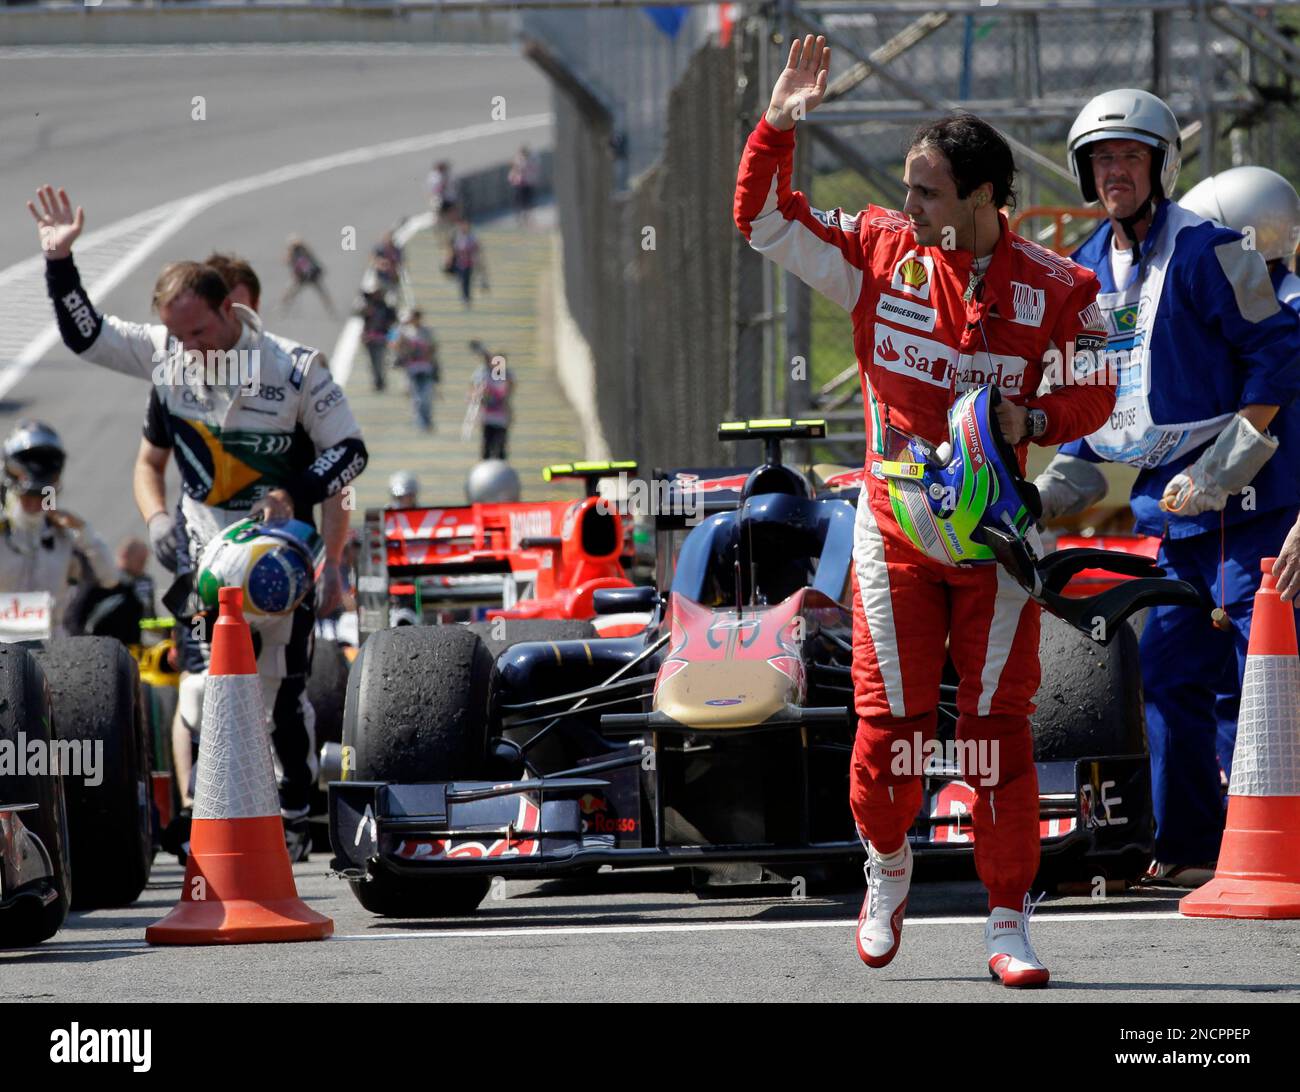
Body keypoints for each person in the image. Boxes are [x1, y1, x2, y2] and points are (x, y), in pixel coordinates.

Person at [735, 36, 1116, 987]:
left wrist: (1036, 416)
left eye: (928, 193)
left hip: (999, 540)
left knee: (997, 731)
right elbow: (761, 221)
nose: (909, 207)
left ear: (987, 201)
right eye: (907, 189)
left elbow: (1102, 387)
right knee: (887, 734)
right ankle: (888, 865)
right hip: (894, 535)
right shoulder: (877, 252)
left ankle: (1007, 917)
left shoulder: (1059, 286)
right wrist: (778, 125)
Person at [30, 184, 369, 862]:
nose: (192, 345)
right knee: (210, 692)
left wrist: (293, 492)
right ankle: (217, 822)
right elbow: (86, 335)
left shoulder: (295, 368)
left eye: (201, 330)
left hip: (281, 560)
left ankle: (296, 816)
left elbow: (351, 453)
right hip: (204, 562)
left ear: (230, 308)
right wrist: (60, 263)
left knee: (278, 693)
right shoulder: (167, 355)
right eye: (179, 334)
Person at [1034, 91, 1300, 888]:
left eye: (1131, 157)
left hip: (1262, 520)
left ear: (1159, 166)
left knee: (1275, 683)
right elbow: (1091, 415)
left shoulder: (1214, 250)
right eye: (1102, 160)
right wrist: (1041, 494)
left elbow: (1280, 357)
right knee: (1173, 678)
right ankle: (1192, 847)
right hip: (1179, 531)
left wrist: (1227, 467)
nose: (1115, 172)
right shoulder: (1080, 272)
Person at [1179, 166, 1300, 782]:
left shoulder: (1284, 318)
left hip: (1275, 522)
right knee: (1238, 689)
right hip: (1233, 528)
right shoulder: (1251, 318)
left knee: (1267, 688)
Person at [0, 421, 116, 635]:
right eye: (28, 496)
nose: (35, 504)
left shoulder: (67, 535)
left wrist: (84, 531)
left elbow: (110, 578)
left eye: (41, 495)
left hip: (53, 647)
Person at [64, 535, 153, 645]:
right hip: (95, 646)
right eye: (140, 560)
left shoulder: (144, 584)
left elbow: (148, 619)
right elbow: (76, 616)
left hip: (129, 649)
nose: (143, 565)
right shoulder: (100, 580)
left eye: (145, 560)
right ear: (124, 554)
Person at [392, 308, 440, 432]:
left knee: (426, 396)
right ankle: (422, 422)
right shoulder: (406, 331)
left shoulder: (427, 331)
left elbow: (434, 347)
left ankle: (427, 418)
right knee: (416, 396)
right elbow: (397, 346)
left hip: (426, 367)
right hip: (412, 368)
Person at [468, 340, 513, 460]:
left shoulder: (506, 376)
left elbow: (508, 391)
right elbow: (474, 390)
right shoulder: (484, 374)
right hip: (487, 417)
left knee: (501, 447)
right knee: (487, 446)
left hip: (501, 417)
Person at [281, 234, 335, 317]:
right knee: (322, 293)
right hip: (309, 276)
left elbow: (286, 261)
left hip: (304, 277)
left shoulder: (298, 252)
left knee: (290, 292)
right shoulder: (305, 251)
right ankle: (330, 309)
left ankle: (283, 308)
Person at [356, 288, 397, 392]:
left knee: (380, 361)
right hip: (370, 340)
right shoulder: (369, 308)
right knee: (373, 362)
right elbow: (359, 314)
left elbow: (393, 320)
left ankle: (380, 382)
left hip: (381, 339)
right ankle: (377, 381)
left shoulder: (386, 309)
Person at [446, 217, 486, 308]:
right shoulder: (458, 236)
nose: (464, 227)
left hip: (469, 263)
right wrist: (449, 260)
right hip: (459, 263)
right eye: (463, 225)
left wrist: (478, 259)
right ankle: (465, 297)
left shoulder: (472, 237)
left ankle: (467, 298)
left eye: (466, 225)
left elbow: (477, 249)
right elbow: (453, 249)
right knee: (462, 281)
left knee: (467, 281)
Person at [508, 145, 540, 227]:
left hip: (527, 184)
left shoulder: (528, 161)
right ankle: (521, 218)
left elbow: (526, 168)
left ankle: (526, 218)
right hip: (520, 184)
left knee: (527, 202)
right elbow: (514, 167)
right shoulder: (519, 160)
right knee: (520, 202)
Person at [427, 160, 458, 225]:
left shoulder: (446, 174)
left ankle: (450, 223)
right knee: (439, 213)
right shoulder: (435, 176)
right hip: (440, 198)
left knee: (451, 211)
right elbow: (437, 188)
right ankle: (440, 224)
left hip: (448, 197)